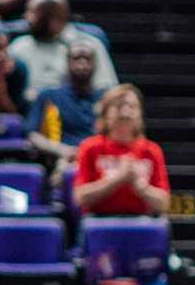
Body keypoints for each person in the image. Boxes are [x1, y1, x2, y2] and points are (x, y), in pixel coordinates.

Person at [72, 82, 170, 217]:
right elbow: (80, 198)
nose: (125, 113)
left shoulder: (152, 150)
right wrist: (116, 179)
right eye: (119, 106)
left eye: (132, 107)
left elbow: (164, 203)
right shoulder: (90, 147)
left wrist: (140, 187)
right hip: (101, 223)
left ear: (140, 115)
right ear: (106, 114)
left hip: (140, 223)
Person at [26, 39, 102, 170]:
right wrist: (62, 150)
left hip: (99, 160)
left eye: (87, 58)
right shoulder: (48, 96)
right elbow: (33, 136)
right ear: (67, 62)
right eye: (77, 58)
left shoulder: (105, 98)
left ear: (95, 64)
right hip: (62, 159)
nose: (82, 62)